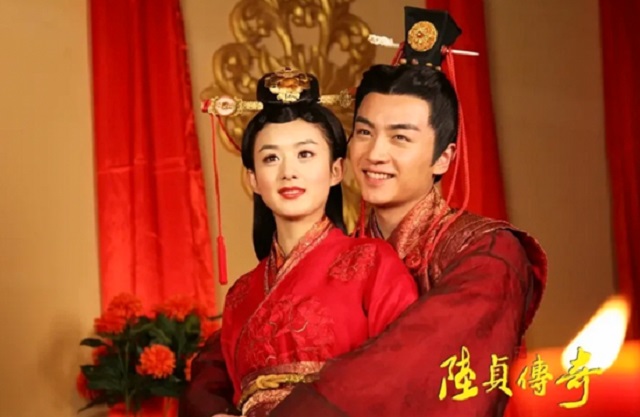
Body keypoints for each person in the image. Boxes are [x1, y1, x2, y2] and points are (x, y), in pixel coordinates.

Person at [264, 7, 548, 417]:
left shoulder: (488, 254)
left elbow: (415, 364)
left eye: (400, 137)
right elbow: (242, 344)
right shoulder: (332, 253)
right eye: (364, 132)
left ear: (443, 157)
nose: (375, 154)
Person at [179, 68, 419, 417]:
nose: (288, 172)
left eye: (305, 154)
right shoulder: (241, 294)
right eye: (271, 158)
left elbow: (408, 372)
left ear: (336, 171)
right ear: (253, 180)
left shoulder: (373, 264)